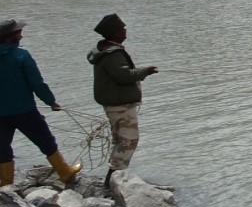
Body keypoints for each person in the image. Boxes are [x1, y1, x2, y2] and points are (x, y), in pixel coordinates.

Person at [0, 18, 83, 187]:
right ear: (11, 37)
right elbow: (37, 83)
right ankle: (64, 172)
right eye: (18, 34)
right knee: (45, 140)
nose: (21, 36)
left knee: (2, 146)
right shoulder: (22, 56)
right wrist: (51, 101)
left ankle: (6, 183)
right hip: (25, 111)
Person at [88, 13, 158, 187]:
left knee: (121, 140)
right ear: (114, 33)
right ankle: (112, 180)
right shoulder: (113, 54)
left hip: (115, 104)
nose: (125, 32)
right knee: (128, 141)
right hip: (120, 106)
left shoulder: (105, 51)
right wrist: (145, 71)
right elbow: (124, 76)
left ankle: (113, 179)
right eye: (122, 29)